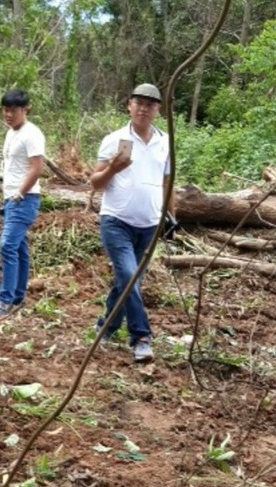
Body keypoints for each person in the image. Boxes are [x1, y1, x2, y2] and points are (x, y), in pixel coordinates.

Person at [89, 83, 174, 364]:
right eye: (138, 102)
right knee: (130, 276)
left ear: (158, 110)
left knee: (127, 280)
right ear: (129, 105)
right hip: (116, 221)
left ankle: (108, 325)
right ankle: (141, 337)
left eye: (150, 104)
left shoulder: (165, 142)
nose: (143, 108)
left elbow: (166, 183)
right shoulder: (114, 139)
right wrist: (113, 167)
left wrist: (171, 216)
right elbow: (96, 183)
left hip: (150, 224)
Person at [0, 90, 44, 321]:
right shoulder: (11, 133)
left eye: (13, 110)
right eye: (5, 110)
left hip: (24, 199)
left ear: (26, 109)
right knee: (19, 248)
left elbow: (36, 168)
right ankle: (19, 297)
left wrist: (19, 194)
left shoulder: (32, 134)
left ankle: (6, 299)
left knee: (7, 246)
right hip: (12, 199)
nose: (8, 115)